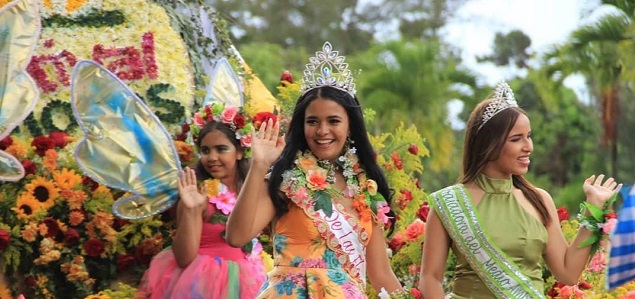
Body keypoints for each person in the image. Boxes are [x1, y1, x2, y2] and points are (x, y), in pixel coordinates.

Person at [226, 41, 405, 298]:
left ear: (350, 127)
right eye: (313, 121)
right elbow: (236, 236)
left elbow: (380, 274)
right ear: (302, 126)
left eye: (333, 121)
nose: (322, 131)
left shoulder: (367, 189)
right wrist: (258, 166)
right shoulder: (284, 179)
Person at [418, 82, 622, 299]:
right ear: (488, 145)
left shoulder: (539, 200)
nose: (529, 146)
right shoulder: (450, 202)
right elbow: (430, 278)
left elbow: (567, 272)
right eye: (516, 139)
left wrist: (594, 208)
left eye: (529, 136)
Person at [136, 103, 267, 299]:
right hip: (204, 283)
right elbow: (183, 258)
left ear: (240, 151)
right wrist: (191, 209)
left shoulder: (252, 191)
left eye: (221, 149)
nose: (212, 157)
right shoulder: (197, 194)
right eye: (205, 151)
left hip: (250, 278)